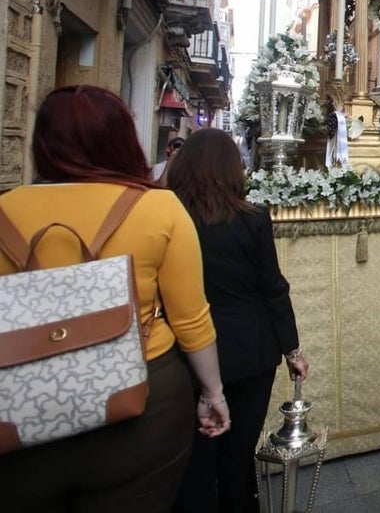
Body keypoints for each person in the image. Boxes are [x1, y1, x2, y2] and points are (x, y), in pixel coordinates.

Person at [0, 85, 228, 513]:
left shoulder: (6, 208)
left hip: (18, 398)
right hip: (142, 395)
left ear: (42, 143)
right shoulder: (159, 208)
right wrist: (212, 394)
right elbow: (191, 321)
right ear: (122, 140)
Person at [168, 128, 309, 513]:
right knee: (238, 454)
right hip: (250, 352)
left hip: (186, 353)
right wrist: (292, 350)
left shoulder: (171, 219)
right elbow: (272, 288)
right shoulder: (252, 219)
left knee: (194, 459)